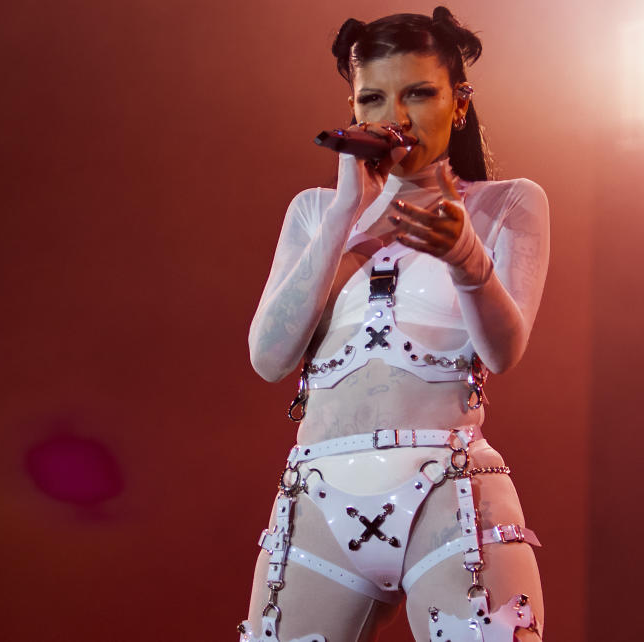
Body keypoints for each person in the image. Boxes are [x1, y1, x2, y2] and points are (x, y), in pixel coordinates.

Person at [239, 7, 550, 641]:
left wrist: (466, 255)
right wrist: (347, 214)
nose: (397, 118)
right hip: (318, 496)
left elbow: (502, 351)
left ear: (458, 102)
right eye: (374, 98)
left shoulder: (507, 204)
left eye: (419, 93)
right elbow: (269, 358)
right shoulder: (314, 212)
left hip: (448, 489)